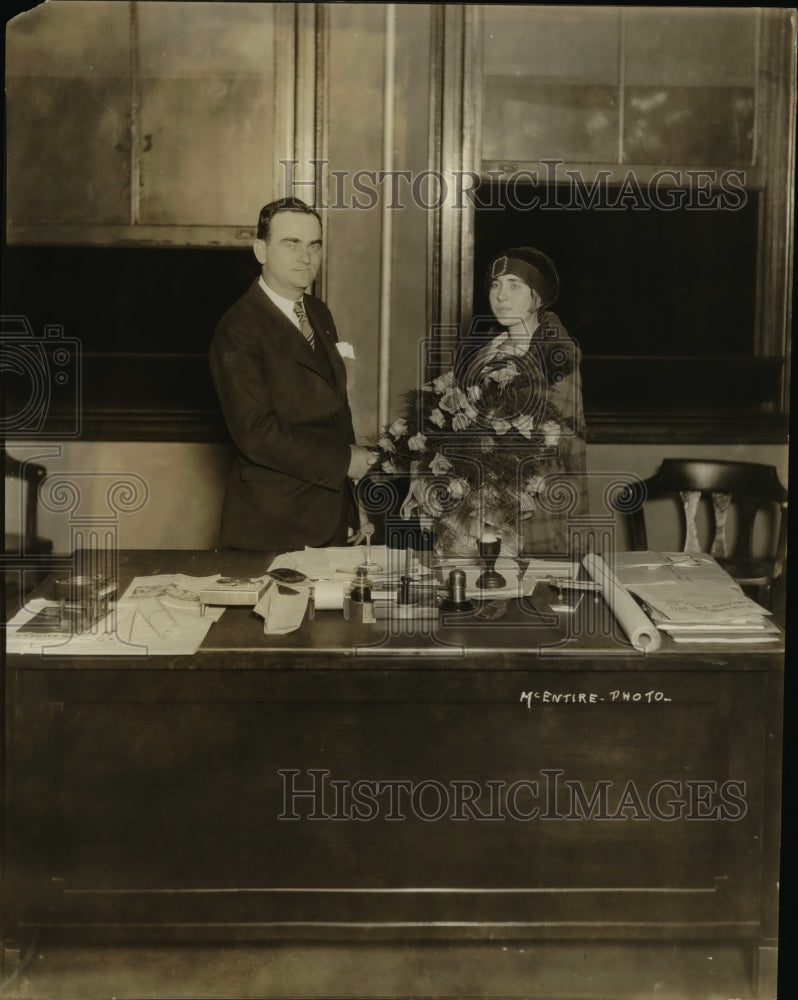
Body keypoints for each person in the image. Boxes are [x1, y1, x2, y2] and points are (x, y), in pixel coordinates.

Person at [210, 197, 375, 551]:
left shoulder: (317, 311)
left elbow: (336, 411)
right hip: (274, 523)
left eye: (314, 245)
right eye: (291, 244)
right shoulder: (238, 328)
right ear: (260, 250)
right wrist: (346, 462)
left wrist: (353, 502)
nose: (306, 257)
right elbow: (257, 433)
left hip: (328, 512)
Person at [456, 246, 588, 555]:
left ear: (537, 299)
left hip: (537, 507)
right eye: (495, 284)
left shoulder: (557, 359)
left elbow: (557, 443)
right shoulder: (484, 353)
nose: (501, 296)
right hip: (479, 508)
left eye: (515, 286)